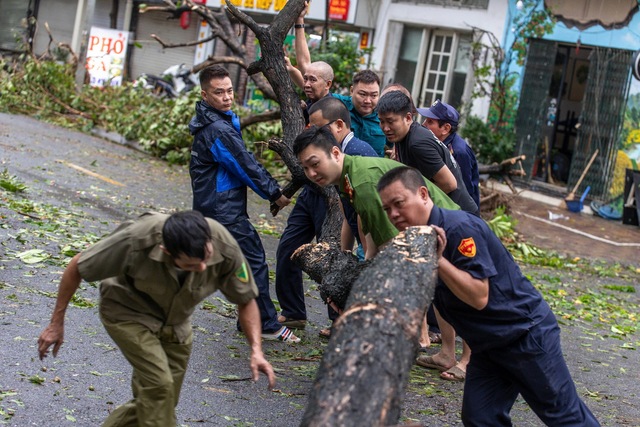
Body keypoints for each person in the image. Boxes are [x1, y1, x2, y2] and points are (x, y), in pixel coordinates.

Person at [377, 166, 601, 427]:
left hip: (524, 336)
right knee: (480, 417)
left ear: (424, 195)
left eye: (399, 203)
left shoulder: (459, 229)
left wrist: (439, 261)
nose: (393, 214)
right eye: (386, 209)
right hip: (487, 345)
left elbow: (479, 297)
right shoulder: (417, 240)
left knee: (564, 417)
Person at [37, 211, 277, 427]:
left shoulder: (224, 245)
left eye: (206, 257)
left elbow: (246, 299)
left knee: (162, 399)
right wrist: (56, 323)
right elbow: (77, 267)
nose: (204, 268)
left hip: (177, 322)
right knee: (159, 387)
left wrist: (256, 349)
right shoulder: (136, 239)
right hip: (127, 313)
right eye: (192, 265)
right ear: (167, 252)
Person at [189, 65, 299, 343]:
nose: (227, 97)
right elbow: (245, 165)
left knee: (235, 264)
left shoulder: (216, 122)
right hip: (223, 210)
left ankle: (249, 320)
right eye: (219, 92)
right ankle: (266, 325)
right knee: (253, 263)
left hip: (216, 207)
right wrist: (275, 193)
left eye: (229, 90)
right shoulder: (217, 129)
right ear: (205, 95)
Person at [275, 96, 377, 334]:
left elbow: (365, 213)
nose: (316, 134)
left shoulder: (357, 152)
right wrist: (345, 252)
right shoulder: (337, 158)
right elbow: (347, 208)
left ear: (339, 126)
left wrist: (364, 254)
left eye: (320, 128)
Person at [292, 125, 459, 260]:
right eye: (305, 168)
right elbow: (371, 229)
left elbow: (392, 243)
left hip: (449, 239)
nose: (311, 174)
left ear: (335, 153)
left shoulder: (362, 182)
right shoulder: (350, 174)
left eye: (315, 164)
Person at [377, 90, 479, 215]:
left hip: (459, 216)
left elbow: (449, 184)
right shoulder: (401, 135)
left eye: (391, 121)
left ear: (408, 118)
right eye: (382, 121)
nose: (386, 128)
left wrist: (413, 203)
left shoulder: (417, 143)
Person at [418, 99, 480, 208]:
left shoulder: (460, 152)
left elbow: (463, 192)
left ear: (446, 129)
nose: (423, 124)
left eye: (430, 122)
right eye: (425, 120)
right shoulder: (435, 143)